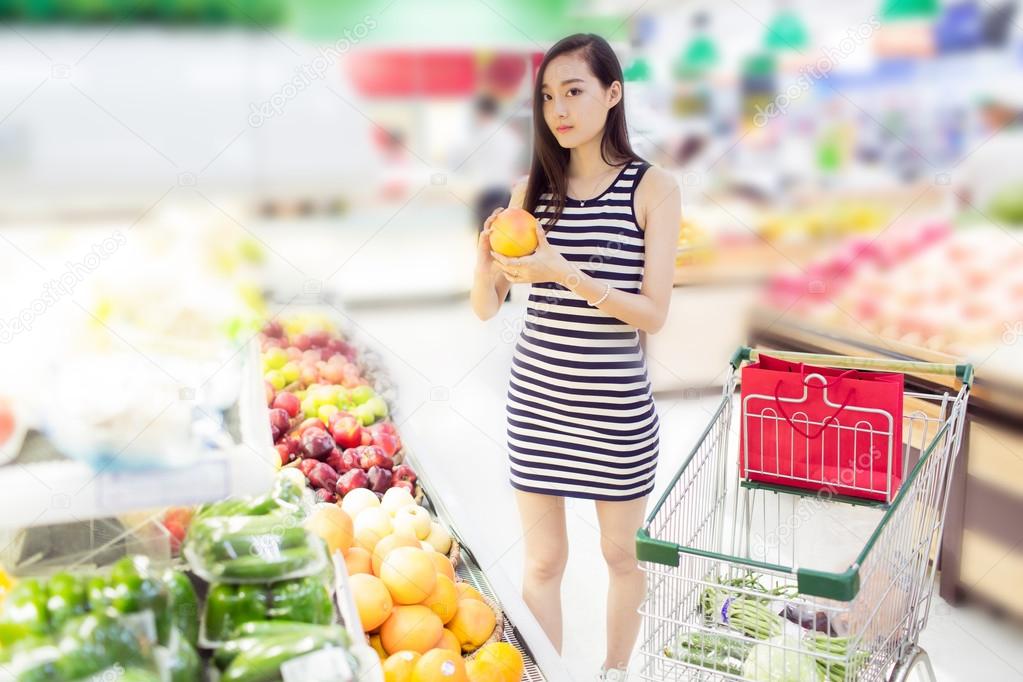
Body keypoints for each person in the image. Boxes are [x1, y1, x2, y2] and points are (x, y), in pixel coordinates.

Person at [469, 33, 680, 681]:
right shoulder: (529, 189)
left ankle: (614, 671)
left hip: (616, 411)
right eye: (547, 96)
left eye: (574, 91)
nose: (558, 109)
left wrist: (565, 271)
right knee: (541, 563)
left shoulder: (652, 189)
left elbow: (652, 314)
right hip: (537, 404)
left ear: (612, 94)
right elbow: (486, 307)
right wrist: (483, 262)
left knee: (621, 560)